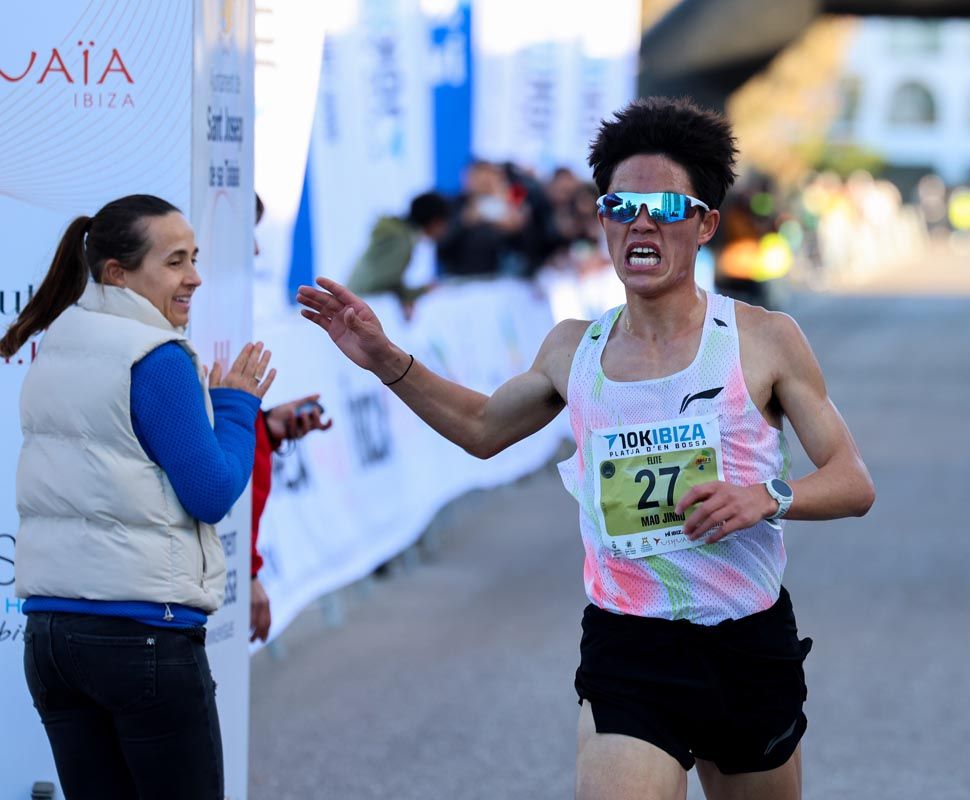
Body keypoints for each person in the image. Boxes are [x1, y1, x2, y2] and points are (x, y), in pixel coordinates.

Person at [297, 97, 875, 800]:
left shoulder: (762, 340)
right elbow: (483, 430)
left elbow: (852, 482)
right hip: (629, 647)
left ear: (704, 224)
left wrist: (767, 497)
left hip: (746, 642)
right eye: (619, 204)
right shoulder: (576, 347)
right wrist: (387, 359)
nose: (639, 221)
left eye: (664, 205)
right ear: (601, 221)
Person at [2, 194, 273, 800]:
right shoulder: (156, 357)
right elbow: (210, 492)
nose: (195, 277)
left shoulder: (60, 340)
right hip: (143, 634)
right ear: (116, 274)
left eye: (194, 258)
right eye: (176, 261)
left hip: (51, 638)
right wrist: (236, 408)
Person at [249, 192, 333, 642]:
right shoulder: (169, 350)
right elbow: (206, 475)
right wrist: (245, 571)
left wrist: (262, 426)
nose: (259, 251)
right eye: (247, 236)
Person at [346, 191, 451, 306]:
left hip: (358, 299)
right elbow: (386, 282)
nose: (445, 230)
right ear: (435, 222)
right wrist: (419, 292)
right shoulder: (402, 241)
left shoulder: (399, 233)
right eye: (445, 223)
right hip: (361, 303)